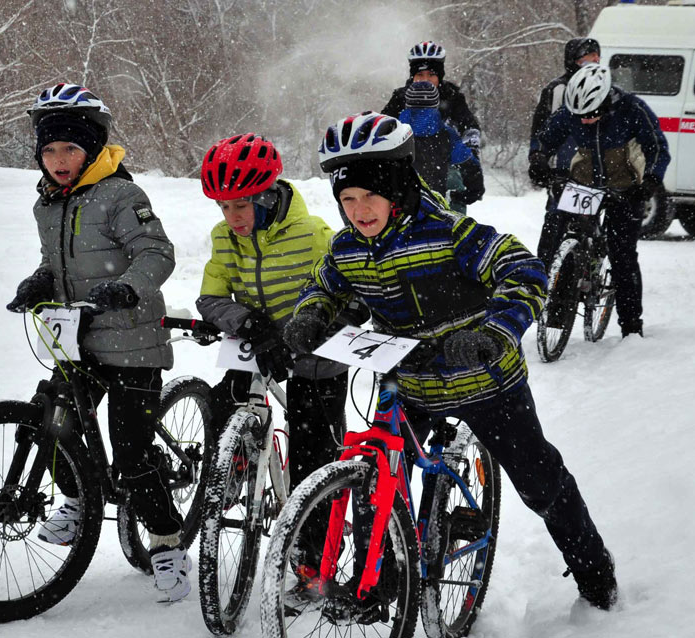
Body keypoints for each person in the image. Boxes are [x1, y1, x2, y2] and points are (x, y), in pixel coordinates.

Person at [284, 111, 619, 612]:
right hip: (409, 381)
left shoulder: (450, 234)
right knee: (374, 473)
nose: (359, 211)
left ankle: (596, 573)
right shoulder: (347, 248)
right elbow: (325, 284)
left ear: (396, 189)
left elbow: (525, 271)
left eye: (370, 196)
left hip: (483, 381)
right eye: (347, 200)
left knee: (540, 483)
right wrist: (310, 315)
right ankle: (376, 579)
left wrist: (494, 332)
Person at [6, 83, 190, 603]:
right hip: (78, 340)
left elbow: (157, 253)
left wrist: (127, 285)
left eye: (69, 149)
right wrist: (39, 282)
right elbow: (54, 262)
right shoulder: (48, 203)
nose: (59, 160)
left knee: (132, 455)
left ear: (90, 149)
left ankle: (167, 541)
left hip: (133, 344)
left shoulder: (121, 195)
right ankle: (76, 496)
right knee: (51, 420)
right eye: (48, 150)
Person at [197, 133, 350, 594]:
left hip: (314, 356)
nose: (233, 218)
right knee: (222, 401)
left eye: (241, 206)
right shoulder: (225, 237)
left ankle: (313, 564)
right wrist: (249, 322)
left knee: (314, 454)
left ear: (267, 195)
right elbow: (210, 295)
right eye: (223, 207)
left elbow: (342, 297)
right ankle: (234, 466)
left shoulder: (316, 235)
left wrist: (305, 332)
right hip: (258, 347)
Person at [529, 63, 670, 338]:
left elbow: (657, 148)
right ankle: (557, 313)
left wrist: (651, 182)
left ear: (606, 101)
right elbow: (545, 139)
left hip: (625, 185)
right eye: (579, 115)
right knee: (557, 227)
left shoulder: (632, 109)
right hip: (585, 180)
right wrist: (538, 158)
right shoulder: (572, 110)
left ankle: (631, 326)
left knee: (622, 256)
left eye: (591, 114)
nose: (584, 120)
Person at [529, 37, 601, 268]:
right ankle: (543, 276)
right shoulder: (557, 89)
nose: (594, 62)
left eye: (597, 58)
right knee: (553, 224)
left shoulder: (604, 87)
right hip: (562, 169)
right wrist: (537, 158)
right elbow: (540, 130)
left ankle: (590, 270)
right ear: (574, 61)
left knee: (590, 226)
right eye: (588, 58)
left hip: (595, 171)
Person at [397, 80, 484, 209]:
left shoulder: (394, 132)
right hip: (435, 208)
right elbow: (470, 166)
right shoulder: (447, 135)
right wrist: (468, 194)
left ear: (407, 104)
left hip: (400, 207)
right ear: (436, 104)